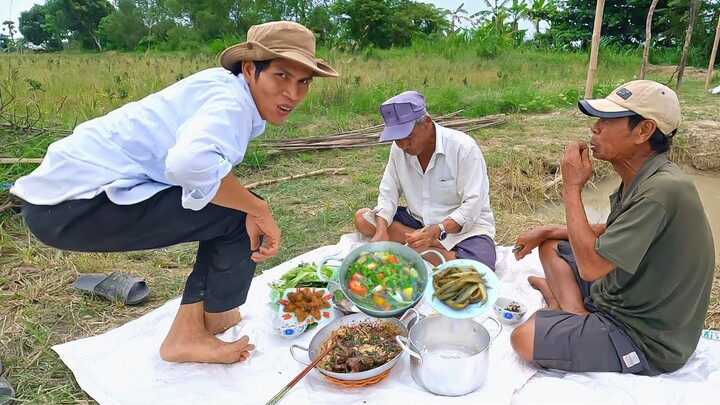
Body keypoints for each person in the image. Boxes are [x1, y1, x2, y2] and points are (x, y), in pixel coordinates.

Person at [10, 21, 338, 364]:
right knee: (236, 213)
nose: (293, 94)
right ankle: (190, 334)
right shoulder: (231, 102)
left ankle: (215, 317)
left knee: (229, 205)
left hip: (61, 199)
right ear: (249, 69)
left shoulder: (225, 88)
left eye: (303, 82)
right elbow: (190, 165)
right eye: (281, 76)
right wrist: (259, 208)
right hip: (73, 205)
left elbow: (201, 167)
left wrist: (250, 205)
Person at [510, 80, 715, 375]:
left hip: (645, 336)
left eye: (608, 120)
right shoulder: (647, 176)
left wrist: (571, 188)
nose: (595, 128)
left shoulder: (662, 190)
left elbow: (591, 268)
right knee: (551, 246)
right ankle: (574, 313)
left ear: (644, 130)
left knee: (523, 339)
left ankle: (567, 313)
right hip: (620, 291)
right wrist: (546, 231)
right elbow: (613, 229)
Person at [354, 91, 497, 269]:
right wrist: (382, 229)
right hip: (419, 221)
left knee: (480, 267)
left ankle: (424, 246)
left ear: (427, 124)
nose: (403, 145)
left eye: (408, 137)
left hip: (459, 227)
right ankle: (425, 245)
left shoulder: (464, 148)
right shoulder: (399, 149)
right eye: (397, 139)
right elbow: (388, 192)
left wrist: (438, 230)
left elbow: (473, 205)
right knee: (362, 218)